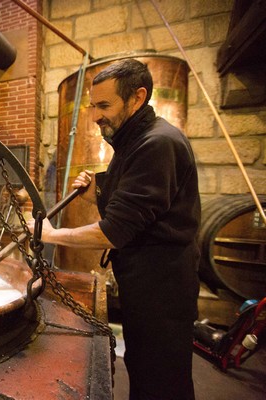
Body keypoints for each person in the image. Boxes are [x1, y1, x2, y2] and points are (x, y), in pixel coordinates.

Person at [29, 58, 200, 400]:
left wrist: (50, 235)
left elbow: (114, 231)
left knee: (161, 382)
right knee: (143, 369)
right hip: (146, 284)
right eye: (93, 105)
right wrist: (98, 193)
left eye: (104, 105)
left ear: (137, 98)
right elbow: (137, 209)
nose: (95, 116)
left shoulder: (157, 143)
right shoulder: (130, 142)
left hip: (162, 291)